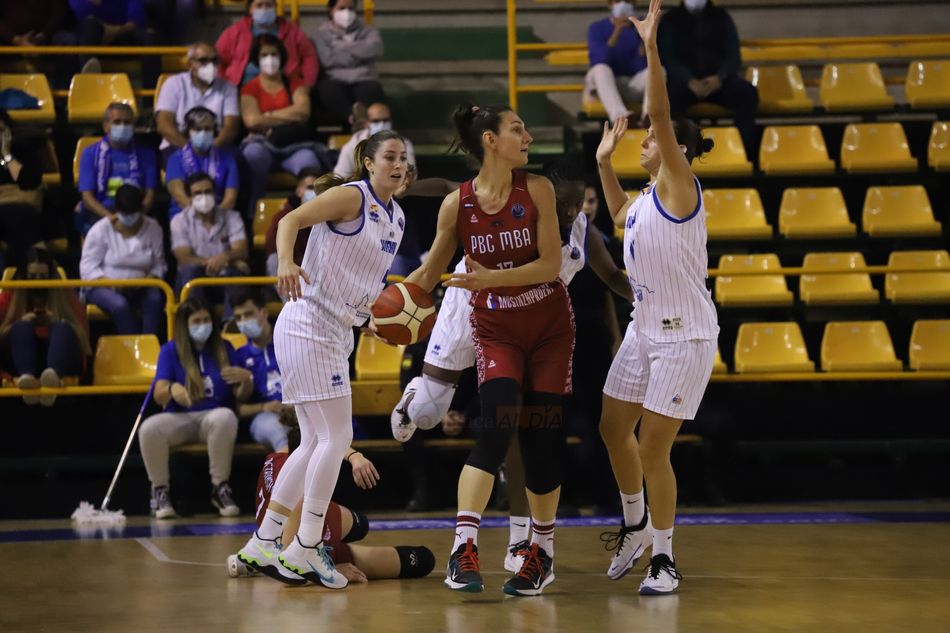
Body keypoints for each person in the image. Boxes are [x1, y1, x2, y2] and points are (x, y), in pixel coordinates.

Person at [392, 157, 630, 572]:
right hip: (469, 301)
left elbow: (610, 274)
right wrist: (408, 188)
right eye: (567, 204)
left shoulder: (580, 231)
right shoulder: (512, 201)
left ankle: (521, 539)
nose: (573, 213)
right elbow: (453, 187)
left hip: (522, 326)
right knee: (429, 414)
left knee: (525, 430)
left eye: (580, 205)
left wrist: (651, 295)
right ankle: (413, 397)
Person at [396, 104, 572, 597]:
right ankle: (464, 547)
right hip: (498, 329)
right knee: (494, 428)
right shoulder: (457, 204)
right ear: (491, 140)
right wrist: (385, 308)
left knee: (540, 442)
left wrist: (491, 278)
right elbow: (429, 273)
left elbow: (550, 265)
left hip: (550, 330)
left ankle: (541, 553)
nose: (528, 137)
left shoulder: (537, 189)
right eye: (518, 129)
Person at [235, 129, 409, 589]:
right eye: (389, 156)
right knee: (338, 437)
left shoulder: (397, 219)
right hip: (308, 322)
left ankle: (265, 541)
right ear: (368, 163)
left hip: (334, 330)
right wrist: (285, 262)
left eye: (403, 158)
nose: (398, 164)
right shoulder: (352, 197)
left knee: (313, 442)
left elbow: (364, 281)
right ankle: (306, 547)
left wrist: (370, 320)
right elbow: (290, 219)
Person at [595, 0, 719, 596]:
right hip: (645, 330)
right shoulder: (646, 198)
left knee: (651, 447)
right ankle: (635, 522)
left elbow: (662, 113)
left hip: (685, 336)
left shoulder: (679, 181)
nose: (645, 141)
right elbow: (619, 214)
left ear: (679, 153)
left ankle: (665, 559)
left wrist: (649, 46)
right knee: (609, 426)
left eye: (653, 139)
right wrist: (603, 165)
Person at [229, 425, 435, 583]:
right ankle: (274, 560)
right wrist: (333, 572)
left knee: (420, 559)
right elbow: (289, 570)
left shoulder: (279, 457)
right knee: (414, 557)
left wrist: (352, 455)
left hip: (302, 537)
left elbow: (318, 437)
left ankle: (257, 560)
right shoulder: (298, 495)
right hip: (303, 540)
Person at [138, 296, 254, 519]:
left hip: (213, 419)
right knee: (149, 428)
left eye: (206, 320)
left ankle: (220, 488)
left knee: (225, 417)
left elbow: (241, 396)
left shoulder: (225, 348)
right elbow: (158, 393)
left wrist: (246, 380)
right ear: (185, 324)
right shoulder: (170, 351)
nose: (203, 325)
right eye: (196, 321)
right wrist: (172, 389)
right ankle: (160, 491)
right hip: (181, 419)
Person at [240, 33, 323, 219]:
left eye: (274, 54)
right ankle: (253, 213)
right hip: (262, 145)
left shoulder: (294, 82)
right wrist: (288, 115)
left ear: (282, 57)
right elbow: (252, 121)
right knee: (252, 155)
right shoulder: (249, 88)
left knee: (310, 161)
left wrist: (268, 116)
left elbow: (303, 112)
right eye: (264, 55)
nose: (270, 59)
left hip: (293, 146)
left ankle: (306, 217)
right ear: (256, 59)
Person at [658, 0, 758, 154]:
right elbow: (667, 57)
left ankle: (741, 150)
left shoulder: (722, 17)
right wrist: (688, 80)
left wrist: (719, 77)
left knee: (748, 94)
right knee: (666, 101)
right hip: (684, 84)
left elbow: (734, 56)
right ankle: (677, 155)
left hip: (718, 83)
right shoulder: (670, 19)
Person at [0, 248, 90, 407]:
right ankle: (27, 379)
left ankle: (52, 379)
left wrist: (56, 321)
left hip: (62, 360)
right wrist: (17, 324)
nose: (38, 282)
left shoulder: (66, 296)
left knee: (63, 327)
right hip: (20, 360)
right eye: (32, 277)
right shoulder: (9, 296)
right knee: (21, 327)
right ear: (23, 276)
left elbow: (83, 341)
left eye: (43, 277)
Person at [79, 184, 166, 337]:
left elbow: (159, 265)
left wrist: (145, 281)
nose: (129, 218)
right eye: (124, 214)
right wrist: (113, 284)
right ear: (117, 211)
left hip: (142, 285)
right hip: (104, 286)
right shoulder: (100, 229)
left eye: (132, 213)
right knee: (120, 305)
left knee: (155, 299)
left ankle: (150, 346)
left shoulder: (153, 228)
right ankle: (132, 350)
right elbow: (87, 268)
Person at [170, 173, 250, 320]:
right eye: (198, 193)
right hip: (195, 280)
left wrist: (225, 257)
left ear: (214, 193)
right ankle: (195, 320)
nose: (204, 196)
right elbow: (183, 257)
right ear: (190, 196)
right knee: (189, 270)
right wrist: (215, 261)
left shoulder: (232, 217)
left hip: (224, 278)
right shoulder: (179, 221)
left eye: (207, 191)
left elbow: (241, 249)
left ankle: (231, 325)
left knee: (237, 271)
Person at [75, 103, 158, 237]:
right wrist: (111, 218)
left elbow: (149, 194)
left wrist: (135, 218)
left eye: (127, 122)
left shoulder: (147, 154)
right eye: (117, 122)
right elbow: (87, 197)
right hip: (100, 213)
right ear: (105, 126)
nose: (122, 126)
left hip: (135, 212)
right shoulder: (90, 153)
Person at [154, 42, 241, 163]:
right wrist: (189, 149)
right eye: (203, 60)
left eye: (214, 61)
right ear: (190, 64)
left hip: (217, 146)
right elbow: (163, 125)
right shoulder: (173, 84)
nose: (210, 65)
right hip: (178, 145)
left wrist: (211, 151)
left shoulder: (228, 88)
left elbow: (231, 127)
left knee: (238, 164)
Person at [230, 288, 289, 452]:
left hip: (300, 411)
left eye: (248, 314)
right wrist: (264, 407)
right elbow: (236, 408)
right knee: (277, 429)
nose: (243, 321)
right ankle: (284, 474)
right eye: (238, 318)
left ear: (263, 312)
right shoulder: (238, 356)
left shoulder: (289, 342)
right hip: (265, 419)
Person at [313, 0, 385, 126]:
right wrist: (358, 52)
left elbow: (377, 49)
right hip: (334, 79)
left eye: (350, 8)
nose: (346, 12)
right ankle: (355, 120)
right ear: (331, 10)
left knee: (371, 89)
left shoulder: (368, 31)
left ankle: (366, 126)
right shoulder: (320, 34)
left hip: (364, 78)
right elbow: (327, 59)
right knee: (326, 90)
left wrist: (339, 48)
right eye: (341, 8)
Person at [216, 0, 318, 87]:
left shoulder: (292, 30)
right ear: (250, 9)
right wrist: (223, 87)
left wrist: (307, 83)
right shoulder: (234, 31)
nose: (264, 9)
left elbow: (309, 56)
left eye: (269, 5)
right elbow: (217, 58)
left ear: (275, 8)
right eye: (259, 5)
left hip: (285, 85)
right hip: (244, 86)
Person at [165, 107, 240, 219]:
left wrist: (214, 221)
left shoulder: (227, 158)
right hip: (184, 218)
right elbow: (180, 197)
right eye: (197, 129)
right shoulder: (175, 159)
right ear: (188, 131)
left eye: (207, 129)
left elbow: (230, 199)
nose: (203, 133)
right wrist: (202, 222)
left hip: (220, 217)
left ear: (214, 131)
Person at [584, 1, 650, 124]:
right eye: (618, 0)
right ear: (610, 4)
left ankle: (649, 117)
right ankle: (622, 118)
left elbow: (642, 66)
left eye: (627, 0)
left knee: (658, 70)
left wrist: (645, 40)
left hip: (634, 84)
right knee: (600, 69)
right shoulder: (597, 28)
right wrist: (617, 31)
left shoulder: (642, 27)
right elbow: (599, 60)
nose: (623, 4)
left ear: (634, 3)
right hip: (607, 86)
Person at [67, 0, 160, 83]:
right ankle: (89, 74)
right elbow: (81, 15)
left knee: (150, 37)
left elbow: (137, 20)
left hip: (122, 35)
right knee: (90, 25)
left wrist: (115, 30)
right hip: (92, 40)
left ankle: (151, 100)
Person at [0, 110, 46, 269]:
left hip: (22, 213)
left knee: (23, 216)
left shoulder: (26, 151)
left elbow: (29, 184)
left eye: (1, 131)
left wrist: (6, 155)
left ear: (9, 131)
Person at [264, 167, 323, 277]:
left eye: (319, 189)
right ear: (299, 190)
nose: (315, 192)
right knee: (273, 261)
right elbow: (272, 246)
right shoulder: (283, 216)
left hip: (319, 269)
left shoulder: (329, 217)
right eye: (310, 187)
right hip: (293, 268)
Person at [333, 103, 415, 178]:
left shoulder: (404, 144)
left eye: (385, 120)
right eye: (376, 121)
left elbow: (410, 176)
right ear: (367, 123)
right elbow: (340, 176)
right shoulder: (353, 145)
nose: (382, 124)